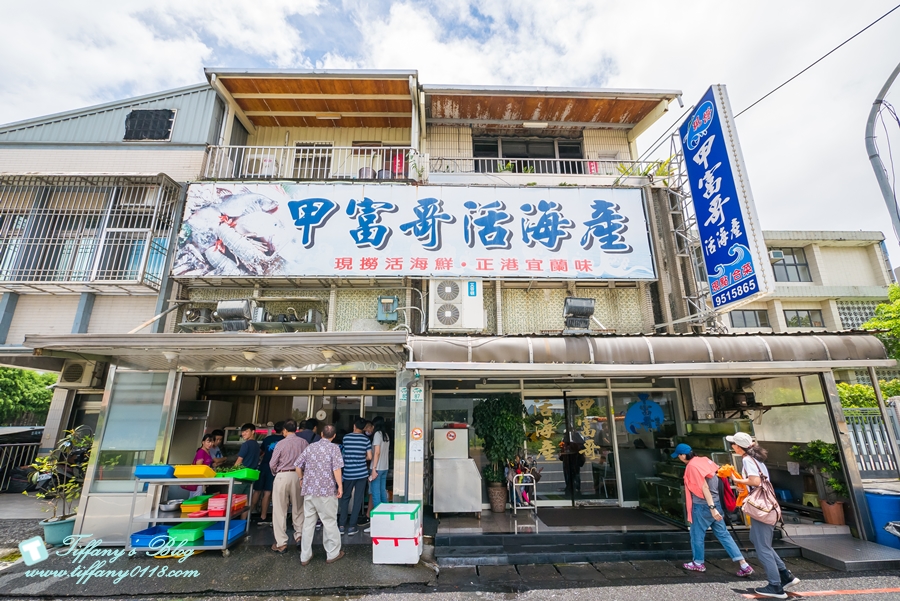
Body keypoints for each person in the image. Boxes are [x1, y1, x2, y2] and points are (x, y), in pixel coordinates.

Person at [728, 432, 800, 599]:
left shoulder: (747, 460)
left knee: (763, 548)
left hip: (761, 509)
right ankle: (785, 575)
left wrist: (737, 480)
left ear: (739, 447)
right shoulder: (756, 459)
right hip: (766, 506)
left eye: (733, 444)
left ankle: (775, 586)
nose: (732, 446)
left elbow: (755, 481)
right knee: (757, 539)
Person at [673, 443, 753, 577]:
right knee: (724, 534)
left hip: (703, 506)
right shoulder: (705, 460)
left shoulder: (691, 466)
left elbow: (704, 487)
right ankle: (744, 564)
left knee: (697, 535)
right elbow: (722, 474)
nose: (679, 458)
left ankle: (698, 563)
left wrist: (712, 508)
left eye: (679, 455)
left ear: (683, 455)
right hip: (716, 502)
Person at [295, 424, 344, 565]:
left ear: (321, 434)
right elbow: (336, 469)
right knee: (329, 522)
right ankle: (332, 553)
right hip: (326, 492)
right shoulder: (334, 448)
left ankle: (305, 556)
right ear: (334, 436)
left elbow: (297, 465)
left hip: (309, 491)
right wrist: (340, 485)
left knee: (308, 523)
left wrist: (301, 478)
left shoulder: (311, 447)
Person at [268, 419, 309, 553]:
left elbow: (272, 463)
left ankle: (282, 543)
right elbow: (308, 461)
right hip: (299, 477)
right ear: (296, 429)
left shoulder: (280, 443)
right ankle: (300, 537)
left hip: (282, 476)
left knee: (280, 510)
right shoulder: (303, 443)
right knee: (299, 508)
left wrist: (276, 473)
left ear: (284, 430)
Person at [338, 417, 372, 535]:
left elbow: (343, 454)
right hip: (362, 473)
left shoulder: (346, 438)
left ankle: (342, 525)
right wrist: (362, 458)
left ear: (354, 426)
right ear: (363, 428)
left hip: (348, 473)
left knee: (346, 497)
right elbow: (370, 457)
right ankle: (352, 527)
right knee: (358, 499)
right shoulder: (366, 440)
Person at [364, 416, 391, 533]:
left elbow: (377, 452)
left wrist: (373, 468)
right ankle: (386, 521)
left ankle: (377, 523)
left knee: (375, 495)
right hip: (384, 468)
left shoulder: (377, 435)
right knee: (383, 494)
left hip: (377, 468)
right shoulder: (386, 435)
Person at [257, 421, 285, 525]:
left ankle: (257, 516)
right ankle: (271, 517)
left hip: (264, 466)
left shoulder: (267, 439)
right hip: (275, 468)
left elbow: (261, 452)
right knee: (270, 493)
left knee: (259, 491)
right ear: (283, 430)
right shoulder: (284, 440)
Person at [233, 423, 262, 517]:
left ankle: (228, 523)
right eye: (243, 432)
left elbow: (239, 461)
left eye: (246, 431)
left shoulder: (246, 445)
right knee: (246, 501)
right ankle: (243, 523)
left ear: (253, 432)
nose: (244, 434)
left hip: (241, 476)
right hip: (250, 477)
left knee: (232, 499)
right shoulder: (257, 446)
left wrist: (231, 472)